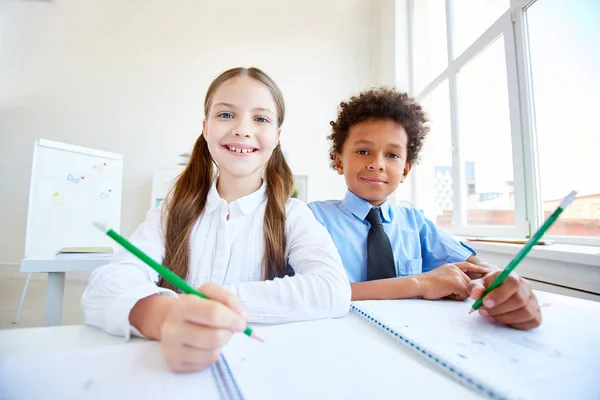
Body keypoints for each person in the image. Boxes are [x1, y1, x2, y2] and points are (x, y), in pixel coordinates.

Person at [82, 67, 351, 372]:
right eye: (226, 115)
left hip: (258, 369)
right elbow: (104, 287)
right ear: (205, 128)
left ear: (276, 137)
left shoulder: (294, 215)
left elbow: (333, 289)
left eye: (260, 119)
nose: (242, 129)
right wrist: (165, 314)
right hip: (171, 371)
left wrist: (219, 304)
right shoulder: (172, 213)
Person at [308, 87, 541, 331]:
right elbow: (314, 293)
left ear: (406, 170)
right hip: (336, 335)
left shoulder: (416, 223)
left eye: (392, 155)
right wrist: (420, 282)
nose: (376, 164)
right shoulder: (312, 218)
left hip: (411, 336)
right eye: (363, 151)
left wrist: (506, 286)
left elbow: (479, 270)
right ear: (339, 160)